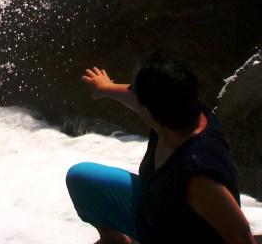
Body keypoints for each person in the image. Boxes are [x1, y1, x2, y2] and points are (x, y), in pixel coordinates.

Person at [66, 50, 256, 244]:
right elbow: (135, 97)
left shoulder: (198, 176)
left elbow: (241, 235)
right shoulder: (179, 110)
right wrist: (106, 88)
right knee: (81, 178)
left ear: (148, 111)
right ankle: (114, 239)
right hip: (156, 213)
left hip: (177, 235)